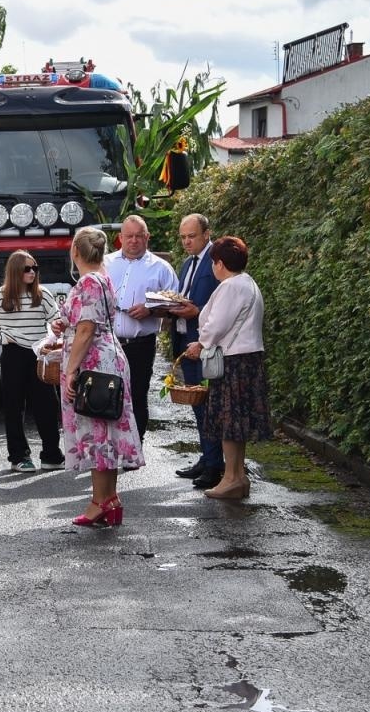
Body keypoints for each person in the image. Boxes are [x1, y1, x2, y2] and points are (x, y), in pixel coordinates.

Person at [58, 226, 145, 526]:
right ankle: (108, 499)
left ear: (75, 251)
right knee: (105, 430)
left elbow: (86, 329)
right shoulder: (103, 277)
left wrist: (71, 369)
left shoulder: (88, 282)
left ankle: (100, 501)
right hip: (107, 356)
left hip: (95, 362)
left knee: (97, 431)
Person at [186, 236, 269, 500]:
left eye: (214, 262)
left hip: (233, 361)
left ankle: (231, 477)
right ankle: (238, 476)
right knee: (238, 421)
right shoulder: (248, 283)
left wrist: (200, 343)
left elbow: (216, 324)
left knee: (228, 421)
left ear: (220, 263)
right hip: (248, 360)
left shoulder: (230, 286)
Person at [0, 249, 63, 472]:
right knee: (14, 406)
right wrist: (2, 338)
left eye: (35, 268)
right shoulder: (1, 295)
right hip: (13, 354)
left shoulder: (43, 294)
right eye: (26, 269)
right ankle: (19, 457)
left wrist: (56, 331)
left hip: (40, 354)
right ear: (14, 271)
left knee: (48, 405)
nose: (32, 272)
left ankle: (51, 455)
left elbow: (56, 319)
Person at [103, 214, 179, 439]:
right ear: (120, 238)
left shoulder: (161, 268)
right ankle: (110, 445)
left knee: (137, 396)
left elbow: (176, 304)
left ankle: (135, 446)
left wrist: (150, 310)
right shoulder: (105, 263)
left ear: (147, 237)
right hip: (107, 342)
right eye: (129, 236)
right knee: (106, 393)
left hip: (140, 344)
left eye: (139, 236)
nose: (134, 241)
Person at [169, 214, 224, 488]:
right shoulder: (188, 263)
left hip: (204, 344)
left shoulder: (216, 262)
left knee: (209, 407)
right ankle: (207, 458)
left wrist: (197, 311)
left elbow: (223, 306)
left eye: (191, 236)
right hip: (185, 341)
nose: (187, 242)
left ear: (206, 234)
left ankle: (215, 465)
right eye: (183, 237)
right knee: (198, 406)